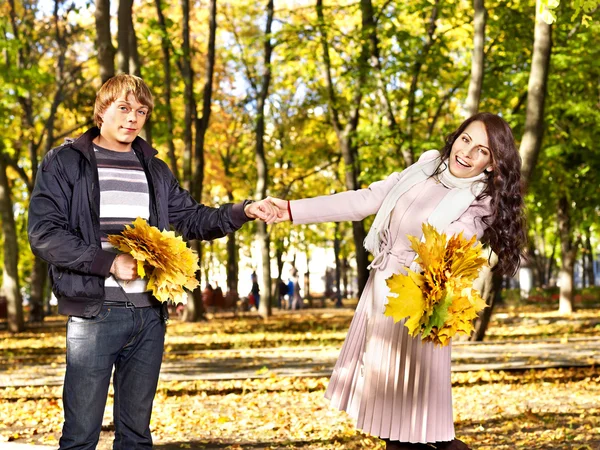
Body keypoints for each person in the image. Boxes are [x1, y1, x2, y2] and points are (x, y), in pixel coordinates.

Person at [27, 74, 280, 450]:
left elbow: (194, 218)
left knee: (137, 437)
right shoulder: (66, 162)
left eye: (141, 111)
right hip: (94, 315)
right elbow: (43, 233)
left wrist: (243, 210)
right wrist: (108, 262)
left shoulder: (154, 170)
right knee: (80, 437)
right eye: (124, 108)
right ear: (103, 110)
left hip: (149, 316)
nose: (133, 118)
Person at [269, 113, 526, 450]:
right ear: (455, 137)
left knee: (413, 426)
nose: (467, 153)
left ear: (492, 165)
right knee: (395, 423)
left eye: (483, 151)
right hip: (380, 297)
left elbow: (450, 246)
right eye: (466, 139)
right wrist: (289, 209)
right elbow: (364, 200)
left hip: (419, 305)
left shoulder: (481, 201)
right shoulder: (423, 168)